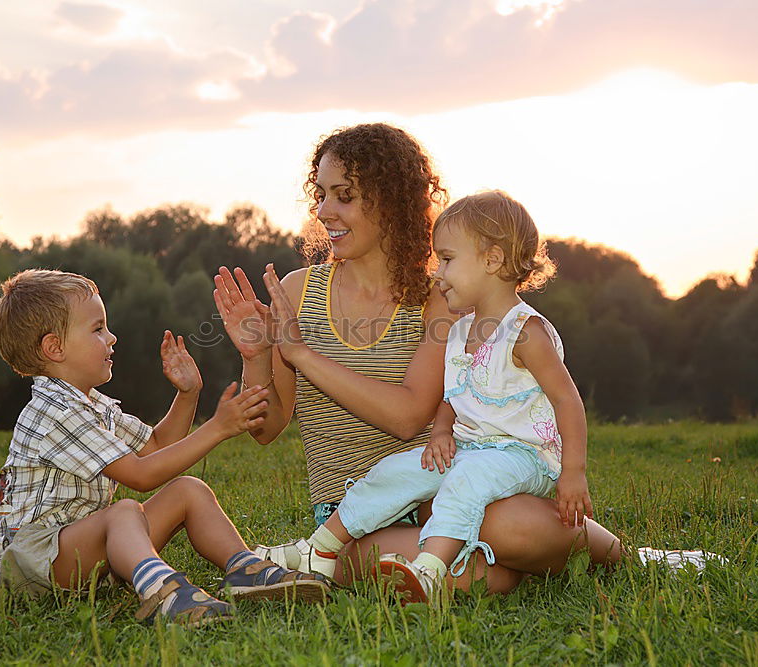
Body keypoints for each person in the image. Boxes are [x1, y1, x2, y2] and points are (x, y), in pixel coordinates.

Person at [213, 123, 623, 596]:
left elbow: (409, 417)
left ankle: (626, 557)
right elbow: (267, 429)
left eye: (343, 195)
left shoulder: (441, 298)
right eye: (321, 194)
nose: (325, 211)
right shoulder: (297, 292)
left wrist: (302, 355)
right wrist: (259, 355)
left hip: (439, 490)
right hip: (352, 515)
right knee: (491, 572)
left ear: (390, 202)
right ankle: (354, 559)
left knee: (511, 528)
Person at [253, 190, 592, 604]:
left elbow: (567, 401)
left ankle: (429, 569)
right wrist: (442, 432)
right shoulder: (461, 328)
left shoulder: (526, 332)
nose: (438, 273)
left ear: (492, 260)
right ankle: (319, 548)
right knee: (397, 469)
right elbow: (453, 394)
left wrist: (572, 471)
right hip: (473, 450)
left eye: (447, 260)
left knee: (470, 484)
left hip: (523, 455)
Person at [0, 269, 330, 628]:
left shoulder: (92, 404)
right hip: (34, 563)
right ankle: (162, 593)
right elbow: (141, 475)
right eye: (97, 329)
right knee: (123, 510)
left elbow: (155, 446)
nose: (112, 337)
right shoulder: (55, 411)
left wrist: (187, 394)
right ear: (54, 348)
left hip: (85, 550)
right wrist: (218, 427)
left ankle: (245, 568)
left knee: (188, 490)